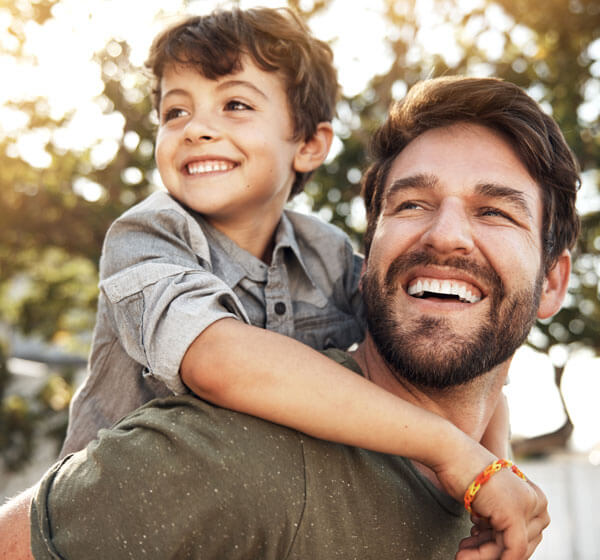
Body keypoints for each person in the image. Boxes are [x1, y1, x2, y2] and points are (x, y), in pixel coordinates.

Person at [0, 75, 579, 559]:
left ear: (552, 282)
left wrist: (486, 465)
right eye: (411, 204)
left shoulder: (492, 501)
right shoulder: (229, 457)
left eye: (495, 211)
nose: (447, 233)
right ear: (364, 262)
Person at [57, 5, 516, 518]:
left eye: (234, 104)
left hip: (254, 520)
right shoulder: (147, 235)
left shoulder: (331, 255)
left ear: (309, 144)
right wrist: (449, 448)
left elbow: (449, 352)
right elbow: (217, 361)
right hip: (119, 521)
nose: (196, 129)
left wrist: (495, 468)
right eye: (175, 112)